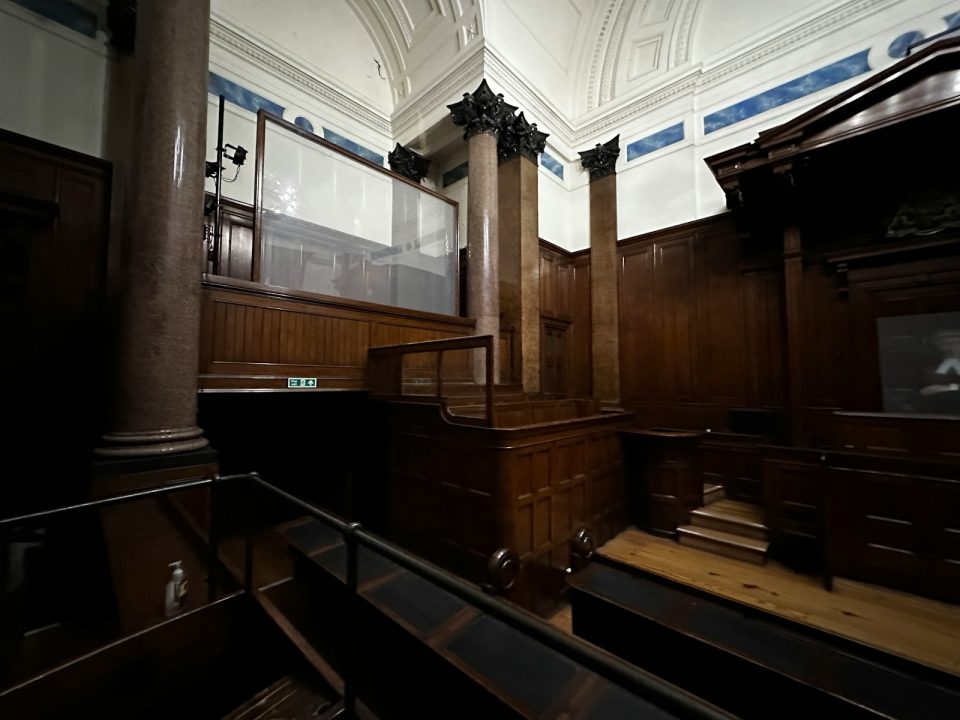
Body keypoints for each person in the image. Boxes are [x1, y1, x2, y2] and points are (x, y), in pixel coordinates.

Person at [918, 327, 960, 414]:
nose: (953, 348)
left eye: (958, 343)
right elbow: (924, 391)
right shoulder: (928, 367)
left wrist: (948, 388)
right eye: (946, 343)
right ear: (937, 345)